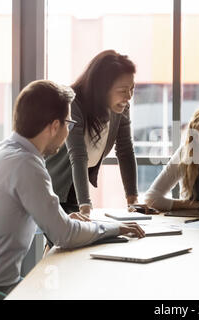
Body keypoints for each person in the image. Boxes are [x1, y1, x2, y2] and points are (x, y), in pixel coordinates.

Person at [0, 80, 145, 298]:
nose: (69, 132)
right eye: (68, 124)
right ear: (54, 126)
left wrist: (64, 220)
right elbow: (63, 235)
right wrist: (114, 228)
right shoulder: (27, 165)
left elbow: (11, 221)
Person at [46, 50, 138, 217]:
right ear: (102, 88)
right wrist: (86, 207)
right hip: (56, 184)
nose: (129, 96)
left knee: (73, 237)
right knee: (70, 237)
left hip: (76, 184)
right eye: (123, 90)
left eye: (132, 89)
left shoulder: (121, 107)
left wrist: (133, 201)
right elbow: (78, 155)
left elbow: (125, 150)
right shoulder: (73, 102)